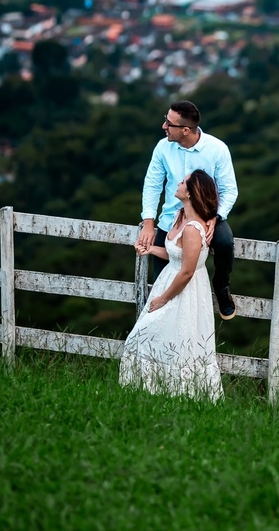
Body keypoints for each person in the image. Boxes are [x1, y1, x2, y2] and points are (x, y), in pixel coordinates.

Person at [120, 170, 223, 401]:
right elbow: (175, 254)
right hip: (169, 279)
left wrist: (164, 298)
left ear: (190, 192)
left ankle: (180, 395)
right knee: (159, 338)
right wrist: (150, 250)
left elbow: (187, 270)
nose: (178, 184)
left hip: (183, 289)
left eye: (183, 182)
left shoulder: (193, 229)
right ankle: (152, 394)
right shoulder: (180, 216)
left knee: (161, 337)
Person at [138, 100, 239, 320]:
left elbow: (229, 190)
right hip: (170, 221)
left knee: (224, 242)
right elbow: (152, 183)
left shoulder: (217, 149)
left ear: (185, 130)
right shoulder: (162, 147)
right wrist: (148, 222)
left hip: (208, 215)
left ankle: (221, 287)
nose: (164, 126)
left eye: (168, 123)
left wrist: (216, 216)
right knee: (161, 278)